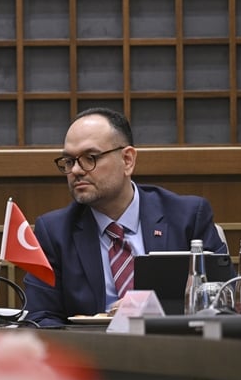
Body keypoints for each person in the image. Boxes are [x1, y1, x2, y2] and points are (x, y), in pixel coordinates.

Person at [23, 108, 226, 326]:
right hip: (91, 345)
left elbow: (225, 301)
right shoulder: (54, 232)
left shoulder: (188, 217)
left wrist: (153, 309)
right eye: (69, 161)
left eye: (90, 158)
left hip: (172, 343)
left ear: (127, 160)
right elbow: (40, 317)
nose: (76, 171)